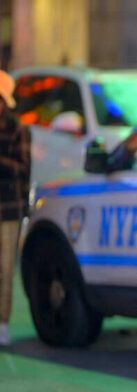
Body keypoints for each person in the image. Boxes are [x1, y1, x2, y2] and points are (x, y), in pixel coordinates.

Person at [0, 70, 31, 346]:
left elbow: (22, 168)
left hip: (8, 209)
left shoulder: (15, 128)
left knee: (5, 268)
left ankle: (2, 323)